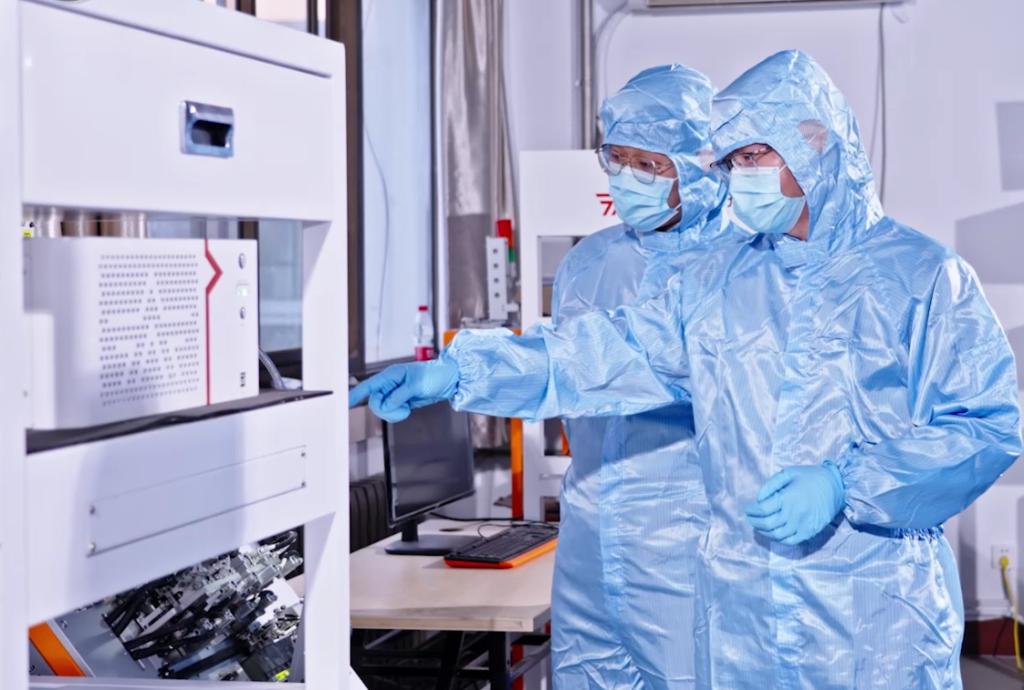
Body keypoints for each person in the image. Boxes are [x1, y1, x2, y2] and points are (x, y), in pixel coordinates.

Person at [350, 50, 1022, 689]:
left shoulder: (922, 276)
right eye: (730, 161)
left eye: (754, 154)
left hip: (871, 613)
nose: (740, 175)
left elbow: (986, 428)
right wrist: (461, 372)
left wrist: (847, 484)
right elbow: (604, 353)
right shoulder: (722, 281)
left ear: (815, 141)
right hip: (740, 613)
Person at [548, 64, 727, 689]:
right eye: (617, 158)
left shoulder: (736, 266)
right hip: (588, 539)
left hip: (683, 543)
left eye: (649, 164)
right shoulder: (587, 262)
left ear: (698, 167)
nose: (628, 177)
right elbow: (567, 379)